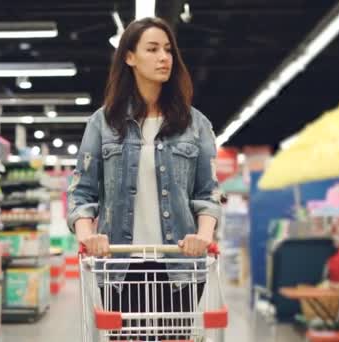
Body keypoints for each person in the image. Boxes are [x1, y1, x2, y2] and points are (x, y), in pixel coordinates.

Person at [67, 17, 223, 340]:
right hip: (119, 267)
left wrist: (203, 236)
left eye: (168, 50)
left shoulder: (195, 124)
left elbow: (208, 193)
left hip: (180, 264)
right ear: (129, 57)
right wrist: (88, 237)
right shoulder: (102, 123)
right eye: (152, 49)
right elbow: (82, 193)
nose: (164, 57)